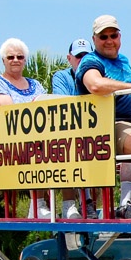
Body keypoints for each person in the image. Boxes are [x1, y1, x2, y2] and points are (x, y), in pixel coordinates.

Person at [76, 15, 131, 220]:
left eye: (113, 35)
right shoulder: (91, 61)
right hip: (103, 126)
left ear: (119, 36)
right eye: (103, 36)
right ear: (94, 40)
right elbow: (95, 85)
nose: (109, 40)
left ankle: (129, 202)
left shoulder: (123, 60)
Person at [0, 38, 50, 218]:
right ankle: (37, 205)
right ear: (3, 61)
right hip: (4, 138)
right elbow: (8, 106)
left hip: (37, 134)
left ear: (25, 60)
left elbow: (46, 106)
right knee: (35, 149)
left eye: (20, 56)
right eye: (11, 56)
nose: (15, 60)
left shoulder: (36, 84)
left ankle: (69, 205)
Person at [51, 38, 102, 218]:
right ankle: (70, 205)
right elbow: (64, 104)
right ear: (69, 58)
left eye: (86, 56)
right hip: (68, 131)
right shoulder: (61, 76)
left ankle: (90, 201)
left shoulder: (98, 74)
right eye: (78, 56)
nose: (82, 60)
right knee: (68, 146)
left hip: (93, 130)